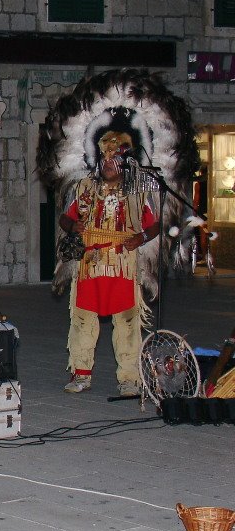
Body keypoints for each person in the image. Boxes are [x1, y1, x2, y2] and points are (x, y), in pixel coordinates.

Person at [59, 130, 158, 396]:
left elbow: (155, 225)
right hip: (89, 261)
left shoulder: (137, 192)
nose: (107, 165)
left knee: (127, 320)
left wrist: (141, 237)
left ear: (124, 163)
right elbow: (65, 218)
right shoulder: (85, 187)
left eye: (114, 160)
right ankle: (81, 373)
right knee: (82, 318)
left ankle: (129, 378)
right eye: (104, 160)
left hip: (122, 261)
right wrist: (73, 226)